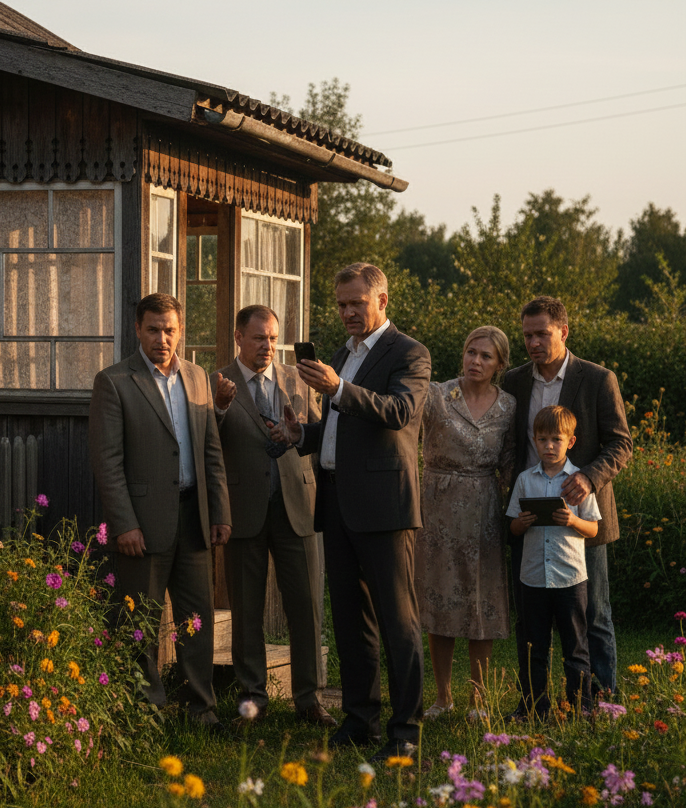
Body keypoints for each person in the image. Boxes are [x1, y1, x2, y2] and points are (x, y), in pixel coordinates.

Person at [279, 263, 431, 762]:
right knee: (349, 619)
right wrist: (302, 434)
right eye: (341, 303)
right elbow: (341, 431)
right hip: (336, 502)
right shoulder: (344, 353)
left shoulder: (409, 352)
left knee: (398, 623)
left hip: (385, 506)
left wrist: (337, 389)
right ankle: (360, 719)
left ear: (382, 301)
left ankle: (405, 730)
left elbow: (399, 412)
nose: (346, 312)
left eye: (356, 303)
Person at [88, 293, 232, 727]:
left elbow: (211, 450)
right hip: (142, 524)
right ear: (138, 329)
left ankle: (199, 710)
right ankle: (143, 714)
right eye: (153, 329)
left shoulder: (198, 377)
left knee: (197, 621)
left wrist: (219, 511)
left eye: (169, 330)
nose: (162, 338)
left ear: (180, 331)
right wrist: (124, 524)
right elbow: (107, 462)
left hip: (194, 518)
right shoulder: (114, 381)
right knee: (139, 622)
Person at [502, 296, 631, 709]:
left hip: (580, 515)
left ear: (564, 331)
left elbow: (621, 444)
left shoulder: (597, 378)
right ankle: (534, 703)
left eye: (542, 333)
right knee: (530, 619)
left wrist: (588, 478)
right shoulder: (513, 381)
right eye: (527, 335)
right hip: (528, 514)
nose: (533, 342)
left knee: (594, 614)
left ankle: (602, 702)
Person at [210, 305, 335, 728]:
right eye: (259, 338)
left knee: (306, 606)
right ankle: (252, 700)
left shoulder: (297, 379)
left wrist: (298, 434)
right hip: (243, 509)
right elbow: (206, 441)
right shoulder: (217, 382)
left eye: (273, 339)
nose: (267, 346)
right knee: (246, 610)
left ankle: (310, 700)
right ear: (238, 337)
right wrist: (220, 408)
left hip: (298, 506)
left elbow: (319, 434)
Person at [415, 326, 516, 721]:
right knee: (439, 600)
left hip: (484, 512)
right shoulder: (437, 395)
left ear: (499, 364)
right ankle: (442, 697)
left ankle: (478, 700)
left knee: (481, 605)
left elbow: (510, 463)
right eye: (471, 352)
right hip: (437, 509)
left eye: (486, 356)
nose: (476, 361)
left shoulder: (508, 406)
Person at [506, 406, 601, 716]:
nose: (549, 446)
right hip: (533, 576)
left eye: (556, 439)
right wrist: (522, 522)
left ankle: (580, 709)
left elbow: (593, 528)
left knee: (575, 646)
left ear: (570, 442)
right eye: (542, 439)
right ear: (534, 440)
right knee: (533, 646)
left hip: (570, 577)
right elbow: (513, 527)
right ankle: (534, 707)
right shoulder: (525, 480)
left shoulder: (578, 481)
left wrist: (571, 521)